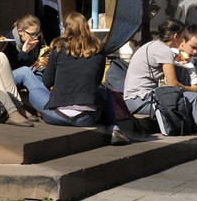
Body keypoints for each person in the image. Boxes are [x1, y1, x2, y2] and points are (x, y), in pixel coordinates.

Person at [122, 20, 197, 156]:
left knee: (193, 98)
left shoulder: (152, 45)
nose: (182, 40)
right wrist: (192, 89)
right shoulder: (164, 51)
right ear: (175, 36)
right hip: (140, 100)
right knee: (193, 97)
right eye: (181, 36)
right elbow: (172, 84)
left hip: (136, 98)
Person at [39, 11, 133, 145]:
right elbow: (97, 81)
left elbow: (47, 82)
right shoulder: (99, 49)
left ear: (65, 29)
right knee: (105, 93)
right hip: (87, 118)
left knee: (33, 91)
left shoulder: (57, 47)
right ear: (86, 28)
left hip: (57, 115)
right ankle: (115, 129)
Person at [8, 14, 50, 112]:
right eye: (32, 34)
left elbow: (30, 65)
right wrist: (24, 53)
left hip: (24, 75)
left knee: (38, 75)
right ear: (20, 32)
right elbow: (10, 68)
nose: (36, 37)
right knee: (27, 72)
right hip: (7, 77)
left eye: (38, 33)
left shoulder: (31, 41)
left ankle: (42, 105)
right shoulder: (9, 42)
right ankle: (47, 105)